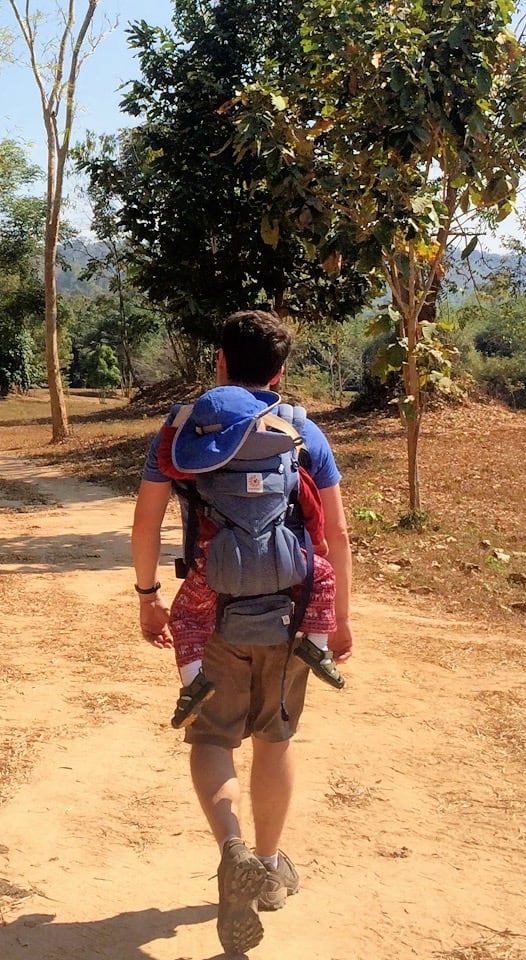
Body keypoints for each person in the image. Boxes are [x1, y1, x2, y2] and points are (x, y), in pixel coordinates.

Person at [130, 309, 354, 956]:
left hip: (215, 607)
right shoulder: (303, 430)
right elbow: (336, 535)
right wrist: (340, 621)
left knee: (212, 738)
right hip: (291, 610)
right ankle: (270, 867)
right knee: (276, 738)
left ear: (220, 362)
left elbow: (145, 525)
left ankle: (232, 846)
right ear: (279, 372)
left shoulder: (183, 430)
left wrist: (148, 598)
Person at [161, 384, 345, 731]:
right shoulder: (288, 466)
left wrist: (175, 427)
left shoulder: (202, 472)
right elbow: (313, 511)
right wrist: (315, 548)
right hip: (285, 562)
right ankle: (317, 646)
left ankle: (193, 683)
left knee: (187, 618)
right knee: (323, 576)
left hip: (216, 568)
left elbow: (166, 463)